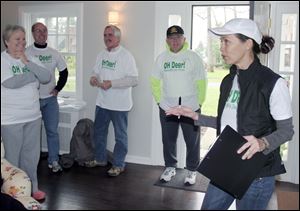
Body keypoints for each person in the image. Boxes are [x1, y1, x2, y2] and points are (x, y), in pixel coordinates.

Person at [166, 18, 294, 210]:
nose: (221, 47)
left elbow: (287, 131)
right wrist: (195, 116)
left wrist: (262, 143)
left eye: (227, 41)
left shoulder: (273, 83)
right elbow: (228, 123)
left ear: (248, 43)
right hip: (226, 165)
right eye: (221, 42)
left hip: (256, 174)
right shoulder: (228, 80)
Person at [151, 25, 207, 185]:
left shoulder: (193, 57)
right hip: (167, 107)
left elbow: (202, 81)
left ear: (184, 39)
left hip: (190, 107)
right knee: (168, 139)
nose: (174, 41)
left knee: (192, 140)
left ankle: (192, 169)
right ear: (167, 40)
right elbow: (154, 81)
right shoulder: (161, 58)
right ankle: (170, 167)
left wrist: (199, 102)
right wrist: (160, 102)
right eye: (171, 38)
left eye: (178, 37)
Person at [1, 24, 51, 200]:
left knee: (31, 156)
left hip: (33, 116)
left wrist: (27, 63)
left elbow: (46, 77)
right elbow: (10, 83)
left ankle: (32, 188)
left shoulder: (29, 58)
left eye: (23, 39)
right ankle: (11, 193)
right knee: (12, 159)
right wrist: (32, 75)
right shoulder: (3, 61)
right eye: (17, 39)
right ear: (7, 42)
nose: (21, 43)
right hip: (10, 119)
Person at [87, 25, 138, 177]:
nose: (107, 38)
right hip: (102, 102)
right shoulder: (101, 55)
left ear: (118, 38)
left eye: (110, 35)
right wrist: (93, 78)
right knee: (99, 133)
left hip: (120, 105)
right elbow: (95, 72)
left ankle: (118, 164)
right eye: (105, 35)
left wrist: (111, 84)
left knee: (120, 136)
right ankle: (100, 159)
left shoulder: (126, 56)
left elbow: (134, 80)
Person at [26, 22, 68, 173]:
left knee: (52, 131)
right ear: (33, 34)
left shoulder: (54, 53)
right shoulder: (26, 52)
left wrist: (57, 89)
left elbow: (64, 72)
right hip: (33, 100)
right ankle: (31, 163)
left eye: (44, 31)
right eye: (38, 31)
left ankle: (54, 161)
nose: (42, 33)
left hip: (50, 100)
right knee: (32, 134)